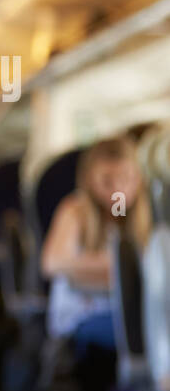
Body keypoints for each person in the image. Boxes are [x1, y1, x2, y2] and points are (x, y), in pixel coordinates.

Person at [40, 136, 151, 354]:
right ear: (89, 180)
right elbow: (51, 264)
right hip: (82, 316)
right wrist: (115, 265)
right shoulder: (75, 210)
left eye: (127, 178)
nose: (118, 189)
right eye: (107, 181)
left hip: (126, 311)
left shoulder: (142, 218)